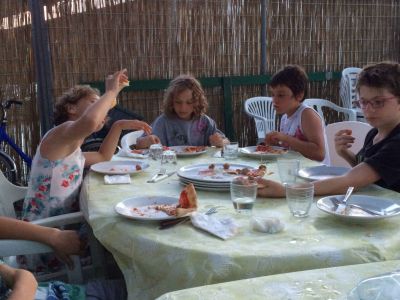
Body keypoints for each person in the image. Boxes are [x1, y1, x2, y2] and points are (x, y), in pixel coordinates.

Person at [22, 69, 152, 221]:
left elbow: (103, 156)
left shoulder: (71, 152)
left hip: (63, 224)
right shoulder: (58, 135)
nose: (102, 111)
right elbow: (90, 121)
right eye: (94, 102)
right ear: (71, 108)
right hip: (45, 229)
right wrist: (111, 91)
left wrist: (118, 126)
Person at [257, 61, 400, 197]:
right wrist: (344, 153)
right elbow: (372, 170)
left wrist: (285, 191)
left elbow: (350, 180)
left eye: (378, 102)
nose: (368, 109)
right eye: (363, 102)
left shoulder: (396, 142)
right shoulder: (375, 133)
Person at [0, 217, 127, 300]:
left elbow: (19, 276)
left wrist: (52, 235)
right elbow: (25, 279)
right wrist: (25, 281)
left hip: (59, 292)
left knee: (138, 285)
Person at [136, 74, 229, 147]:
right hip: (170, 167)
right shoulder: (163, 122)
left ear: (197, 102)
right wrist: (146, 141)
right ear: (171, 102)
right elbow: (138, 144)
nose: (183, 108)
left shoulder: (205, 122)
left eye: (189, 103)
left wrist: (220, 142)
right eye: (178, 102)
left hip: (199, 168)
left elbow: (227, 142)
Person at [263, 65, 329, 164]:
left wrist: (285, 138)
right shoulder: (285, 118)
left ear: (299, 95)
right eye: (273, 94)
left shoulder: (307, 115)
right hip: (296, 172)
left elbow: (319, 154)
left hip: (316, 175)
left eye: (281, 95)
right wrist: (274, 144)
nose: (274, 100)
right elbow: (291, 151)